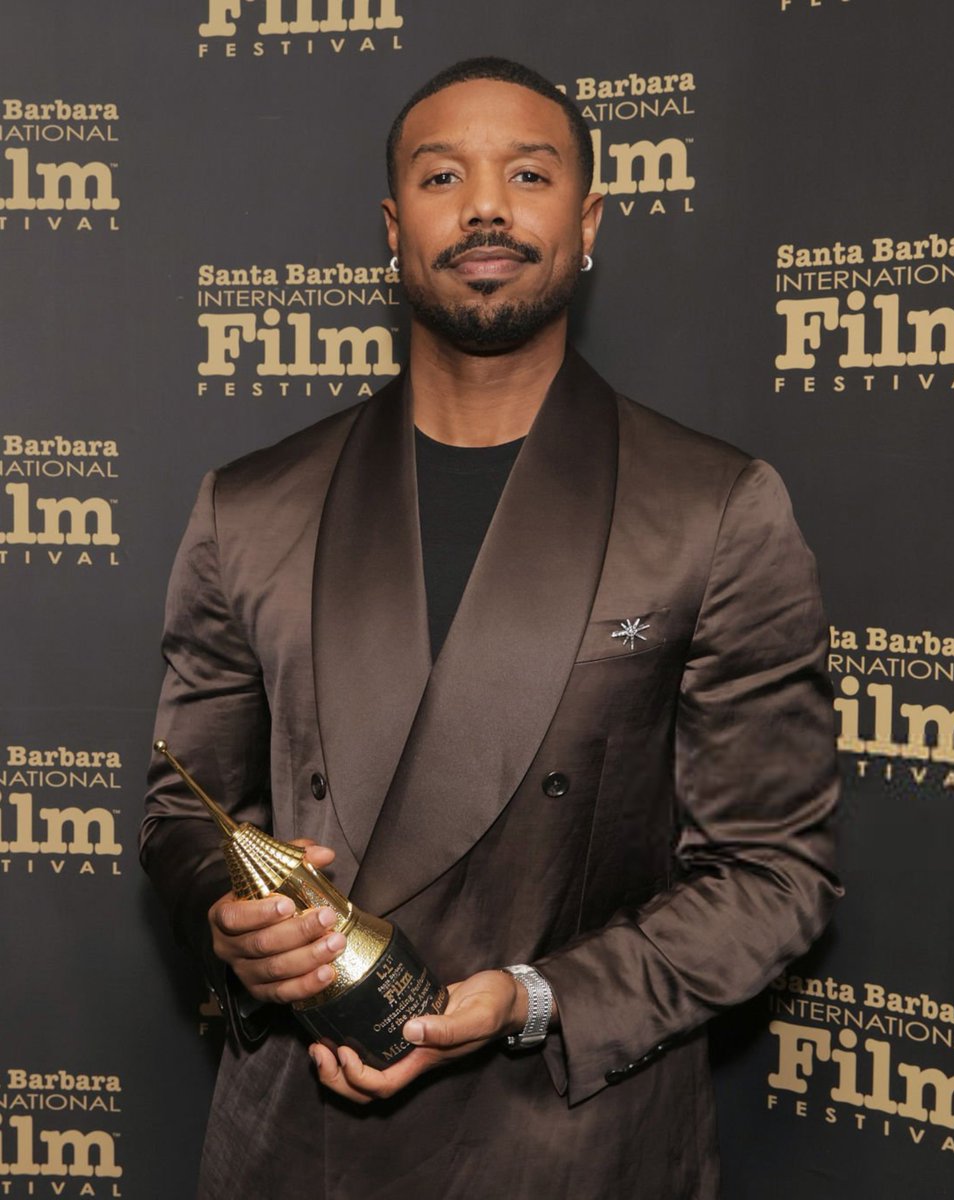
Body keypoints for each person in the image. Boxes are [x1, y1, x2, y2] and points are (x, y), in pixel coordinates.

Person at [141, 56, 841, 1200]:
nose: (484, 206)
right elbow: (185, 807)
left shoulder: (712, 509)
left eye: (527, 172)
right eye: (440, 175)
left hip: (575, 1147)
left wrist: (531, 997)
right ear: (392, 224)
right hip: (292, 1149)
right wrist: (227, 916)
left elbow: (774, 875)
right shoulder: (251, 506)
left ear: (588, 219)